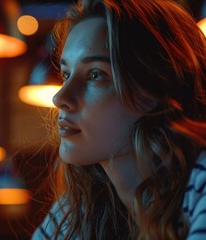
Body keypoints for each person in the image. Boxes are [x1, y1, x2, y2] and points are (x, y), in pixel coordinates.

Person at [32, 0, 206, 239]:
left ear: (157, 89)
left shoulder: (201, 184)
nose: (60, 97)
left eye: (95, 75)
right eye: (66, 74)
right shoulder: (77, 212)